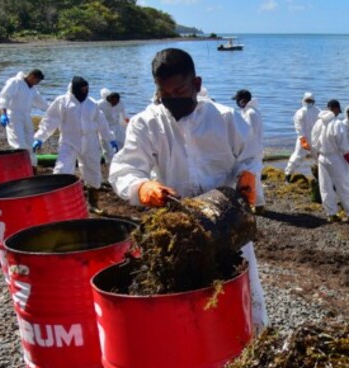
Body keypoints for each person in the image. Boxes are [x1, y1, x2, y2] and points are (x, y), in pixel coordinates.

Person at [108, 48, 268, 330]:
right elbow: (124, 169)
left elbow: (251, 153)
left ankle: (253, 338)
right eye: (164, 94)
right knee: (184, 297)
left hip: (227, 219)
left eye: (179, 91)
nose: (172, 99)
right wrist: (143, 186)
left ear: (196, 84)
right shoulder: (147, 123)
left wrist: (248, 175)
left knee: (244, 288)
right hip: (177, 224)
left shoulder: (225, 117)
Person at [33, 77, 116, 212]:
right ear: (75, 89)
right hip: (69, 142)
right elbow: (50, 120)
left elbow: (102, 122)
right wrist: (40, 137)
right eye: (82, 89)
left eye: (87, 89)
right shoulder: (62, 102)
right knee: (62, 169)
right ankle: (59, 202)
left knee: (93, 171)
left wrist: (110, 138)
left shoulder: (92, 104)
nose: (85, 91)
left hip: (90, 142)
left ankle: (93, 204)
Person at [310, 99, 349, 223]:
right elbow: (344, 147)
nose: (338, 114)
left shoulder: (319, 123)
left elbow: (313, 143)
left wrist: (318, 156)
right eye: (338, 111)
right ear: (335, 109)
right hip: (336, 158)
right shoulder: (337, 123)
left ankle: (331, 214)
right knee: (344, 185)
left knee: (325, 187)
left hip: (322, 157)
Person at [0, 69, 49, 169]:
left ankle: (32, 166)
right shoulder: (15, 82)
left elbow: (42, 103)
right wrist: (3, 113)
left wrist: (56, 110)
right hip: (13, 115)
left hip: (26, 116)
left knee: (31, 141)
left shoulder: (32, 89)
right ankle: (19, 166)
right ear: (32, 76)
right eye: (37, 81)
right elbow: (4, 97)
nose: (37, 84)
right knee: (18, 141)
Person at [233, 89, 266, 214]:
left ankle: (255, 205)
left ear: (242, 101)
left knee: (252, 178)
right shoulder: (251, 112)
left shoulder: (250, 113)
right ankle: (259, 205)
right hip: (253, 150)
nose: (236, 103)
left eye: (237, 100)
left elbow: (246, 133)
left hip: (251, 151)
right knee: (254, 178)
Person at [284, 92, 320, 182]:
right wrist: (303, 139)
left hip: (307, 139)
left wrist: (302, 139)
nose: (309, 102)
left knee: (299, 157)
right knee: (318, 158)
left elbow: (298, 127)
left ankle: (288, 175)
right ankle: (288, 175)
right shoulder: (318, 111)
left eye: (309, 100)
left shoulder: (301, 112)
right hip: (311, 139)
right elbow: (299, 126)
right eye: (308, 100)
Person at [96, 88, 128, 164]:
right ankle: (109, 162)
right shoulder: (100, 104)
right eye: (114, 102)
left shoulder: (120, 103)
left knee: (122, 142)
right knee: (107, 145)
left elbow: (124, 115)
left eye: (117, 102)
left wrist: (127, 123)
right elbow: (95, 117)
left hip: (116, 125)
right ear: (109, 100)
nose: (115, 104)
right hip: (105, 127)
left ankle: (122, 159)